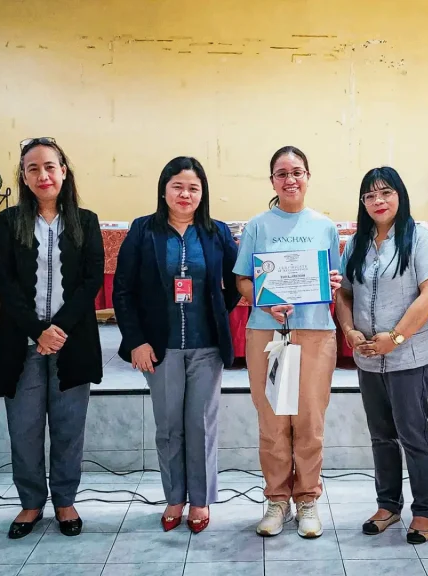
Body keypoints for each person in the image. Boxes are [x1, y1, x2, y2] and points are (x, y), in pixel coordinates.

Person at [113, 156, 241, 534]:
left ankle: (199, 500)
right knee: (169, 426)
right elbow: (123, 291)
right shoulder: (143, 230)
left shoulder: (217, 232)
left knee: (201, 426)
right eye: (178, 187)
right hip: (159, 348)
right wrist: (136, 341)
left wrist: (217, 311)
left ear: (203, 193)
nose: (185, 194)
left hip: (206, 347)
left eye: (193, 188)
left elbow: (237, 281)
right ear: (164, 190)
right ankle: (174, 497)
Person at [0, 137, 105, 539]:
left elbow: (91, 279)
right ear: (23, 176)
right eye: (33, 168)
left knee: (69, 427)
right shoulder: (9, 222)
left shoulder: (85, 221)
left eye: (50, 166)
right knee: (24, 427)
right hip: (21, 343)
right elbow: (4, 281)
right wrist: (37, 330)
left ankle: (65, 500)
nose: (43, 175)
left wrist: (58, 330)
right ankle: (31, 502)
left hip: (72, 342)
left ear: (64, 171)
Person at [334, 167, 428, 545]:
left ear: (400, 195)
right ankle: (388, 506)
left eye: (385, 193)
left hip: (409, 357)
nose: (378, 201)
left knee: (413, 434)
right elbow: (344, 292)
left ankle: (424, 511)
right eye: (370, 196)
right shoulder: (357, 243)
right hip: (368, 358)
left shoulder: (421, 239)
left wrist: (396, 337)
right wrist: (349, 330)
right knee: (381, 436)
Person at [234, 146, 343, 539]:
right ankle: (277, 499)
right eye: (282, 173)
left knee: (310, 421)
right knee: (274, 421)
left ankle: (308, 499)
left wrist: (332, 282)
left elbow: (336, 280)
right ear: (272, 181)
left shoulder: (325, 227)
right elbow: (242, 280)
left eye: (297, 172)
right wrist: (265, 301)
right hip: (268, 334)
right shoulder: (258, 226)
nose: (290, 179)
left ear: (308, 177)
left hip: (315, 332)